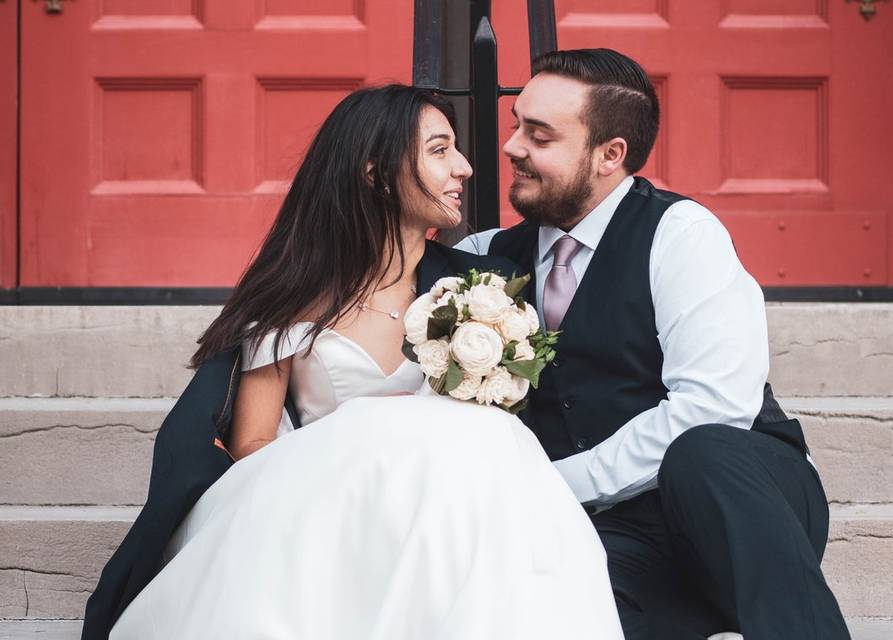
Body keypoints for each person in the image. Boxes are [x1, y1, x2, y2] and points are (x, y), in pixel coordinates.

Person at [83, 85, 624, 640]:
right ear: (376, 173)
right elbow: (252, 446)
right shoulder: (294, 294)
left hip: (438, 517)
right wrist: (364, 446)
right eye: (440, 151)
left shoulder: (478, 290)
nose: (463, 167)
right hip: (320, 505)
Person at [458, 49, 850, 640]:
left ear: (609, 155)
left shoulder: (681, 235)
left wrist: (556, 486)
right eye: (515, 125)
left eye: (537, 135)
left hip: (738, 508)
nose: (512, 146)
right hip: (618, 535)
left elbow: (714, 406)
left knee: (705, 450)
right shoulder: (486, 261)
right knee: (552, 601)